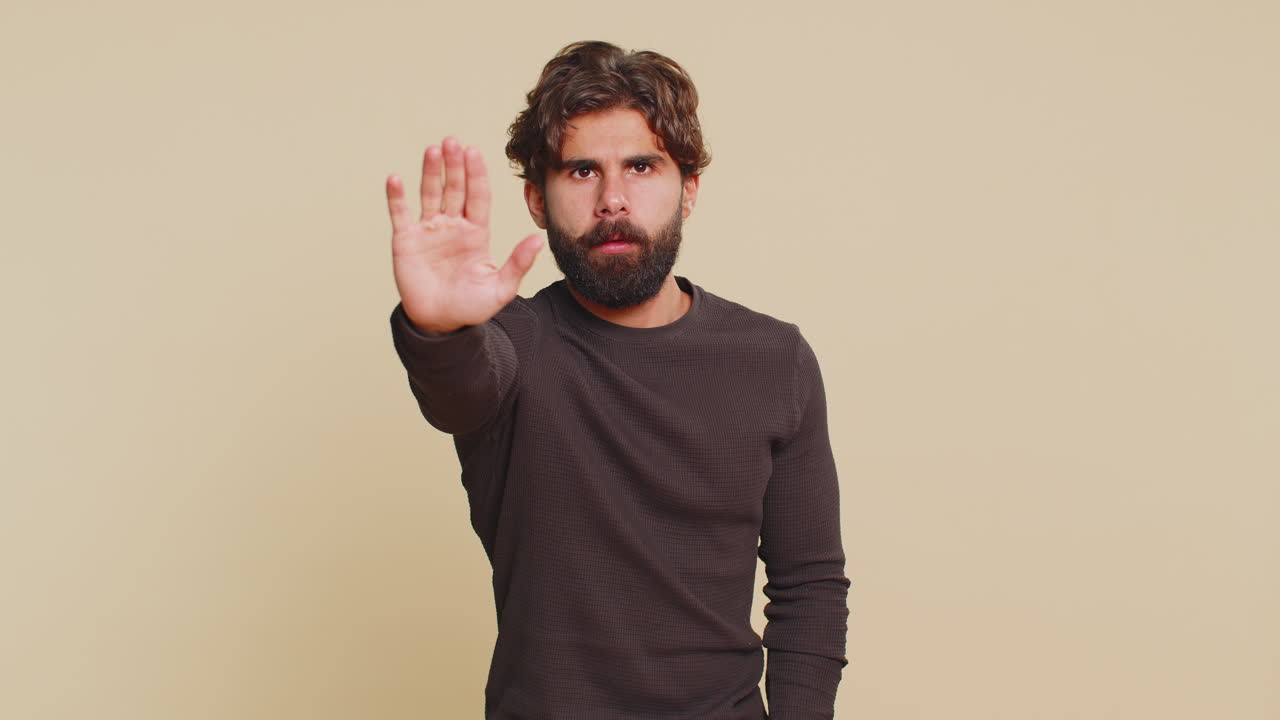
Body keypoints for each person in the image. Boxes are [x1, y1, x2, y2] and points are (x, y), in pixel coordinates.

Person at [387, 40, 849, 720]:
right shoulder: (513, 341)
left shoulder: (774, 359)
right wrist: (439, 329)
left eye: (641, 166)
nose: (612, 199)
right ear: (537, 202)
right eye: (580, 171)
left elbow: (808, 584)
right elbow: (460, 391)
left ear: (688, 187)